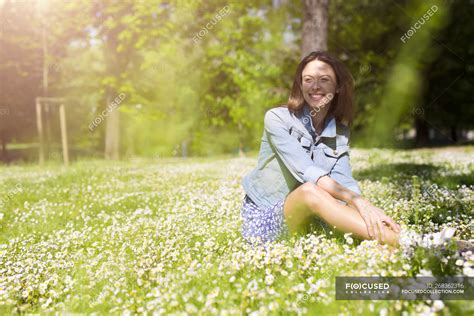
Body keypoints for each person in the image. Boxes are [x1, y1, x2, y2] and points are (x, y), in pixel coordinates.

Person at [240, 51, 468, 256]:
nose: (315, 86)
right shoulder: (277, 118)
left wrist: (365, 206)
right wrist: (356, 202)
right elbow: (306, 171)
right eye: (308, 80)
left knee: (373, 241)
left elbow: (345, 180)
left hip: (311, 217)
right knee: (309, 190)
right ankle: (419, 243)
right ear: (300, 86)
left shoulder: (339, 131)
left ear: (337, 87)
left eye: (324, 80)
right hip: (266, 220)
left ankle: (423, 246)